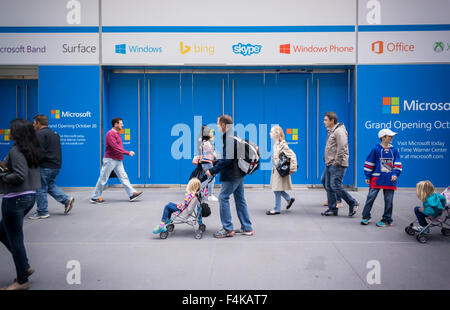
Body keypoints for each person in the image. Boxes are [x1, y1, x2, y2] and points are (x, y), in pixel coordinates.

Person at [0, 119, 42, 290]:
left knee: (15, 239)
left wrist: (3, 176)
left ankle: (22, 280)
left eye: (11, 129)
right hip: (29, 196)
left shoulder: (16, 150)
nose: (8, 131)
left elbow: (19, 175)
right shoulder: (31, 149)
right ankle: (24, 266)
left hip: (15, 198)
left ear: (17, 132)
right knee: (3, 231)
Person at [205, 115, 253, 238]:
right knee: (240, 199)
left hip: (233, 174)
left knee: (223, 197)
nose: (216, 126)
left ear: (223, 125)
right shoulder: (234, 136)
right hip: (239, 173)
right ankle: (247, 227)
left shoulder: (229, 139)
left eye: (217, 124)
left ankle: (227, 228)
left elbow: (227, 160)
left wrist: (213, 170)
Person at [28, 114, 74, 219]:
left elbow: (38, 152)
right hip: (55, 165)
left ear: (38, 123)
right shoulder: (54, 134)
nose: (33, 125)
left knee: (40, 188)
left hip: (44, 166)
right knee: (50, 186)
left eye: (34, 123)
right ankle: (66, 200)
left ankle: (42, 211)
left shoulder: (39, 134)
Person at [90, 118, 143, 203]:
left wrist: (123, 154)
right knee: (103, 178)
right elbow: (115, 147)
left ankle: (132, 194)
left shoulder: (117, 133)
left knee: (124, 177)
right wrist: (127, 152)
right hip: (110, 160)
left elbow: (118, 147)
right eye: (121, 123)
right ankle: (95, 197)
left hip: (118, 160)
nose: (123, 125)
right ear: (115, 124)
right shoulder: (110, 134)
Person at [361, 129, 402, 227]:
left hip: (390, 179)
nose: (392, 138)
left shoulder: (394, 150)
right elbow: (369, 163)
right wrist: (367, 175)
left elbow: (398, 163)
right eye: (389, 136)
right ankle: (366, 217)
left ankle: (387, 219)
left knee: (389, 200)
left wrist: (395, 174)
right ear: (383, 138)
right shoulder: (375, 149)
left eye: (392, 136)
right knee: (370, 198)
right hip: (377, 178)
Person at [321, 111, 359, 217]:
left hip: (337, 164)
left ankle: (353, 202)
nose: (323, 122)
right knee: (327, 184)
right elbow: (332, 146)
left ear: (332, 120)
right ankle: (332, 209)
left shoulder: (339, 131)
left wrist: (336, 162)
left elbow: (342, 147)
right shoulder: (331, 131)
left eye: (325, 120)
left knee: (335, 185)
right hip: (329, 163)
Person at [266, 125, 296, 215]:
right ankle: (288, 199)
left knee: (276, 188)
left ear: (276, 134)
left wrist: (293, 168)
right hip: (277, 170)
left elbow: (293, 156)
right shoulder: (276, 144)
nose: (269, 133)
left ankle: (277, 208)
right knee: (277, 188)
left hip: (280, 170)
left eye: (271, 132)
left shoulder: (283, 144)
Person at [198, 125, 218, 202]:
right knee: (211, 179)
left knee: (210, 178)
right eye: (210, 131)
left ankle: (200, 191)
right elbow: (213, 153)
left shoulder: (204, 142)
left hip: (205, 163)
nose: (211, 133)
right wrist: (218, 158)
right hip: (207, 163)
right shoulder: (207, 143)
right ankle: (209, 195)